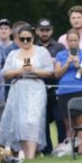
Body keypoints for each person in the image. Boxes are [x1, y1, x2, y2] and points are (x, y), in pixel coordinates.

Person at [0, 25, 53, 159]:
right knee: (20, 122)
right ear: (18, 39)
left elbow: (49, 71)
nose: (26, 41)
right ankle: (26, 155)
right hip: (18, 88)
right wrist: (19, 71)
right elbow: (5, 72)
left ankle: (32, 155)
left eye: (28, 38)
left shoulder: (42, 51)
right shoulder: (13, 54)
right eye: (23, 39)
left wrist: (34, 71)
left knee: (33, 121)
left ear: (33, 38)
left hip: (36, 88)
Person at [54, 29, 82, 154]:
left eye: (75, 40)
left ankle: (80, 151)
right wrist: (67, 63)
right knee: (68, 123)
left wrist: (78, 66)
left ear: (79, 41)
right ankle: (71, 150)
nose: (73, 43)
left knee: (81, 122)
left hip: (80, 90)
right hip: (64, 92)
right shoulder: (61, 55)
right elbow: (57, 74)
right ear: (67, 41)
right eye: (70, 40)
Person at [35, 18, 67, 155]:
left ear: (51, 31)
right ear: (37, 31)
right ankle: (47, 150)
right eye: (42, 30)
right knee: (44, 121)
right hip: (39, 88)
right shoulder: (33, 47)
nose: (44, 33)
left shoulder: (59, 47)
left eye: (47, 30)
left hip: (56, 87)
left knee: (60, 119)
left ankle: (61, 148)